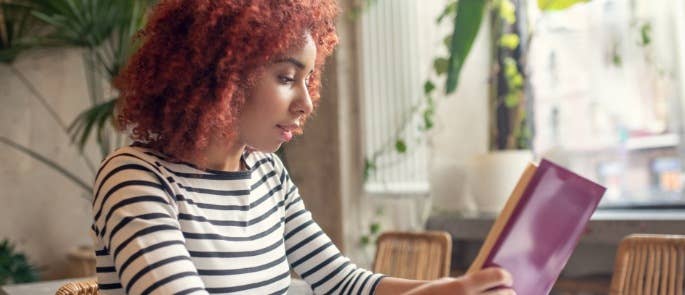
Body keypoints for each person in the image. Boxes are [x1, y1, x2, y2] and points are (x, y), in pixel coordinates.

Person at [90, 1, 515, 294]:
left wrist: (451, 290)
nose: (306, 103)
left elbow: (344, 284)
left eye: (307, 79)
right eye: (286, 78)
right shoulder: (137, 178)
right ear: (221, 76)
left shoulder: (269, 176)